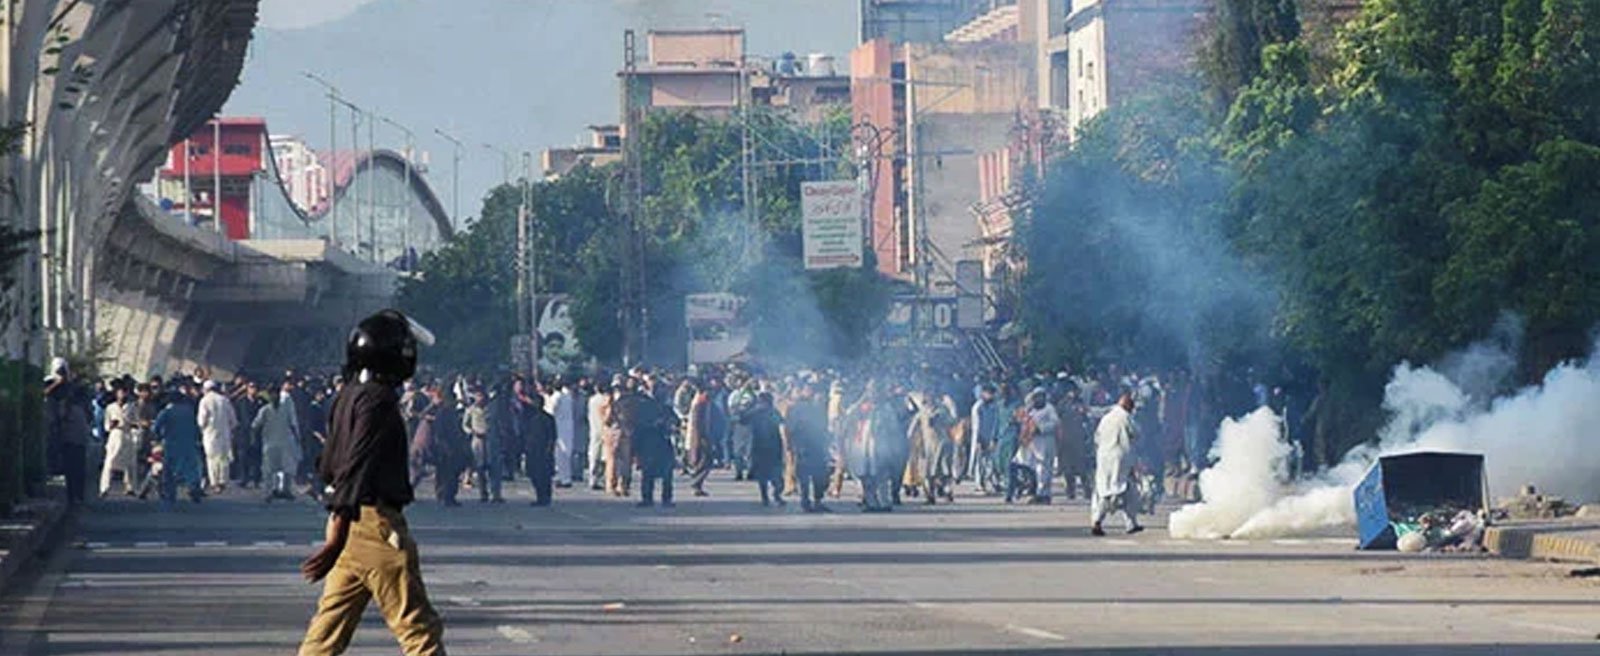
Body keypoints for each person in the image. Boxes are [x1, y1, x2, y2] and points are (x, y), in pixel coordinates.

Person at [299, 309, 445, 655]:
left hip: (350, 524)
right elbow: (355, 464)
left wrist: (337, 523)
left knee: (326, 633)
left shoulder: (348, 394)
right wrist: (337, 530)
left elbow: (330, 464)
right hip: (371, 523)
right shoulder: (378, 399)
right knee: (417, 628)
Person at [1091, 391, 1144, 536]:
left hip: (1103, 458)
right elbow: (1137, 433)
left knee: (1104, 490)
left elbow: (1097, 437)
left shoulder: (1106, 418)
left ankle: (1102, 521)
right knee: (1125, 491)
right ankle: (1128, 524)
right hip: (1120, 459)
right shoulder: (1125, 417)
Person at [153, 380, 205, 505]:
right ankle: (194, 488)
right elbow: (196, 426)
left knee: (169, 470)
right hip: (189, 443)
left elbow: (156, 428)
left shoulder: (167, 412)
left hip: (171, 443)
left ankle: (170, 494)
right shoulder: (189, 411)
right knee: (190, 468)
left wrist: (158, 436)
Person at [783, 382, 832, 512]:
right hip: (803, 446)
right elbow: (789, 428)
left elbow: (824, 427)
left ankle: (816, 501)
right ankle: (805, 500)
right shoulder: (796, 408)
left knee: (819, 475)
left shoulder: (818, 407)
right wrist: (791, 445)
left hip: (817, 446)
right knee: (804, 476)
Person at [256, 381, 303, 501]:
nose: (274, 396)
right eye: (271, 394)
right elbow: (256, 425)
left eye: (275, 394)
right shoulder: (265, 410)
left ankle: (286, 490)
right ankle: (268, 492)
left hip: (285, 442)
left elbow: (292, 423)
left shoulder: (285, 408)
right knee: (268, 469)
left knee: (288, 468)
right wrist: (254, 439)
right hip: (269, 443)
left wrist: (297, 437)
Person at [422, 384, 466, 507]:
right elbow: (439, 432)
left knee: (452, 472)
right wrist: (444, 446)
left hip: (454, 446)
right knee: (446, 473)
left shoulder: (451, 412)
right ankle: (446, 495)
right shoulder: (443, 413)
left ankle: (449, 495)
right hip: (445, 447)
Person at [1016, 389, 1061, 504]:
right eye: (1036, 397)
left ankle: (1044, 494)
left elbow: (1055, 423)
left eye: (1041, 397)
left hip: (1046, 441)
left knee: (1045, 470)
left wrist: (1040, 428)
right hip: (1033, 443)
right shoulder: (1031, 408)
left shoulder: (1049, 409)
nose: (1038, 399)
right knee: (1034, 469)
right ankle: (1036, 492)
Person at [745, 391, 786, 507]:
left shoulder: (772, 412)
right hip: (762, 447)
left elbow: (782, 423)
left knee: (774, 475)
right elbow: (742, 419)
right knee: (765, 476)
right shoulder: (756, 412)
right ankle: (767, 497)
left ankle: (775, 495)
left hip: (770, 447)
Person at [462, 387, 502, 503]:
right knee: (480, 469)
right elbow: (465, 425)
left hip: (491, 440)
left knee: (494, 469)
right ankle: (483, 493)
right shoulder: (471, 410)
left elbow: (498, 423)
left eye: (481, 396)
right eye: (477, 396)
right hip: (477, 441)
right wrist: (472, 432)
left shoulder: (492, 409)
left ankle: (496, 494)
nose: (479, 398)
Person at [198, 380, 237, 493]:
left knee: (211, 459)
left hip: (210, 434)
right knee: (224, 458)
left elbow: (201, 421)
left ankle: (214, 482)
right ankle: (223, 481)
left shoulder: (204, 401)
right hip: (224, 434)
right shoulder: (224, 400)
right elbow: (233, 420)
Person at [99, 385, 137, 497]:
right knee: (109, 462)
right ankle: (104, 487)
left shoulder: (131, 407)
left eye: (124, 393)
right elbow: (106, 426)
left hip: (127, 435)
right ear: (116, 394)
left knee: (130, 462)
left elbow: (137, 422)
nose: (122, 395)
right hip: (115, 435)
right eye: (120, 393)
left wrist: (131, 424)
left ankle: (131, 487)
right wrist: (111, 425)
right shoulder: (111, 408)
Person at [521, 387, 556, 506]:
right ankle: (540, 496)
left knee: (545, 476)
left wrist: (549, 449)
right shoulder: (529, 418)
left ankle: (545, 498)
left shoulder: (548, 418)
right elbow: (525, 434)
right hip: (532, 451)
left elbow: (552, 436)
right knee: (534, 475)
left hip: (544, 450)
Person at [968, 383, 1002, 492]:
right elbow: (976, 426)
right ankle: (980, 484)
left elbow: (997, 422)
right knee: (980, 462)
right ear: (983, 393)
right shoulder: (978, 407)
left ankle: (994, 482)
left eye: (992, 394)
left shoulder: (996, 406)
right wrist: (979, 440)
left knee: (992, 462)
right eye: (989, 393)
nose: (991, 396)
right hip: (980, 438)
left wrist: (994, 438)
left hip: (993, 437)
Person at [684, 380, 714, 497]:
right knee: (704, 461)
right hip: (699, 437)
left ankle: (697, 483)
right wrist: (702, 438)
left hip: (700, 436)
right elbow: (697, 424)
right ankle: (696, 482)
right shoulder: (699, 404)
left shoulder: (703, 403)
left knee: (704, 460)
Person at [547, 378, 576, 487]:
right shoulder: (567, 396)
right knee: (565, 454)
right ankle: (563, 477)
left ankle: (563, 478)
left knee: (560, 454)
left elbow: (550, 411)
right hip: (567, 428)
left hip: (559, 427)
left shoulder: (557, 396)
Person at [585, 380, 609, 490]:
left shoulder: (591, 400)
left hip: (594, 430)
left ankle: (592, 479)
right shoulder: (607, 400)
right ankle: (602, 479)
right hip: (605, 430)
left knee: (594, 456)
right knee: (604, 457)